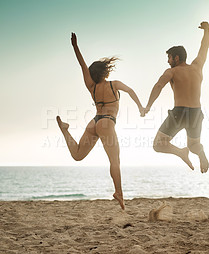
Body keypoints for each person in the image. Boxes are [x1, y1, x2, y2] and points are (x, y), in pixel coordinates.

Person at [57, 33, 145, 210]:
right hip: (106, 122)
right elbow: (130, 91)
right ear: (106, 72)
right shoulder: (115, 84)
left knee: (77, 155)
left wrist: (75, 46)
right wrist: (140, 107)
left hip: (94, 122)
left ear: (93, 74)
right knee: (115, 161)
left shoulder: (92, 87)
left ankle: (65, 130)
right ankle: (118, 192)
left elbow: (82, 65)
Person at [142, 21, 209, 173]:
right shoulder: (197, 66)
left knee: (158, 145)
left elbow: (159, 86)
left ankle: (180, 152)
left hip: (180, 112)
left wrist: (148, 106)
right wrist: (207, 30)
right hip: (196, 113)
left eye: (170, 57)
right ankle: (200, 152)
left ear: (177, 58)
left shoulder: (172, 71)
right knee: (193, 145)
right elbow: (204, 48)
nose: (168, 60)